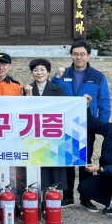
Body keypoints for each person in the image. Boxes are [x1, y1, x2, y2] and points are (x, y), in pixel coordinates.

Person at [51, 40, 111, 210]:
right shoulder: (62, 74)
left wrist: (101, 126)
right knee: (67, 160)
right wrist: (56, 78)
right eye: (75, 54)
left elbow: (104, 103)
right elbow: (52, 93)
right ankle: (67, 196)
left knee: (85, 161)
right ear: (71, 55)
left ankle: (86, 198)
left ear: (88, 56)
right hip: (66, 124)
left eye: (82, 54)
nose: (79, 57)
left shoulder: (98, 77)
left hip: (87, 126)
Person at [22, 58, 67, 193]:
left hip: (51, 132)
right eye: (35, 70)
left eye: (42, 70)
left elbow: (62, 111)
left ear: (48, 72)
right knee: (34, 166)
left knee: (52, 165)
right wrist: (29, 96)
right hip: (32, 133)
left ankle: (52, 197)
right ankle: (33, 196)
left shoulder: (58, 90)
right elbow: (23, 112)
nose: (39, 73)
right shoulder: (26, 89)